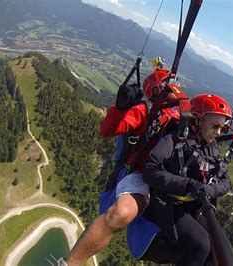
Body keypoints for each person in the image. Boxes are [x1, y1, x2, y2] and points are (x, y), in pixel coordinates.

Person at [65, 68, 181, 266]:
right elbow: (108, 129)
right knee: (121, 213)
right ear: (157, 90)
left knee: (197, 245)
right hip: (142, 175)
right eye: (172, 86)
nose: (177, 89)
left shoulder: (183, 116)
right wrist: (120, 109)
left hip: (169, 181)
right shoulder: (145, 112)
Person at [140, 94, 233, 266]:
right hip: (166, 201)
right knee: (201, 246)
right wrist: (189, 185)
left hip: (193, 204)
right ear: (198, 119)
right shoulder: (175, 140)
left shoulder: (211, 148)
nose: (218, 132)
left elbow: (226, 182)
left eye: (223, 128)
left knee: (222, 250)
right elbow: (150, 170)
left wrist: (211, 190)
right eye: (214, 126)